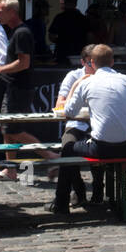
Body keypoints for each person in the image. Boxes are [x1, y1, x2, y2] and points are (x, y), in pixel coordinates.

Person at [58, 45, 126, 218]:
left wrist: (78, 85)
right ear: (112, 62)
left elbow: (68, 112)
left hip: (102, 148)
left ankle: (61, 203)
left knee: (67, 149)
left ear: (92, 63)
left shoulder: (88, 82)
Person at [0, 0, 48, 182]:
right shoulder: (16, 32)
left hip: (20, 88)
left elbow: (24, 63)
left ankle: (51, 156)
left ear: (12, 12)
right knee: (7, 129)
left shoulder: (21, 33)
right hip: (15, 87)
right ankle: (10, 169)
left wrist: (0, 69)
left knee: (13, 129)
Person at [51, 44, 103, 209]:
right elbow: (60, 104)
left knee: (101, 144)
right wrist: (79, 84)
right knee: (67, 147)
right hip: (77, 123)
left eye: (95, 63)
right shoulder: (73, 76)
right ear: (82, 62)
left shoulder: (104, 77)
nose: (93, 68)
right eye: (89, 63)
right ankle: (77, 189)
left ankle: (98, 190)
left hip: (97, 125)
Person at [48, 0, 90, 64]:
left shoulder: (59, 18)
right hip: (79, 53)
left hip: (62, 53)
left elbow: (51, 36)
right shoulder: (83, 19)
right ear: (76, 3)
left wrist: (61, 41)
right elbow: (90, 37)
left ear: (65, 2)